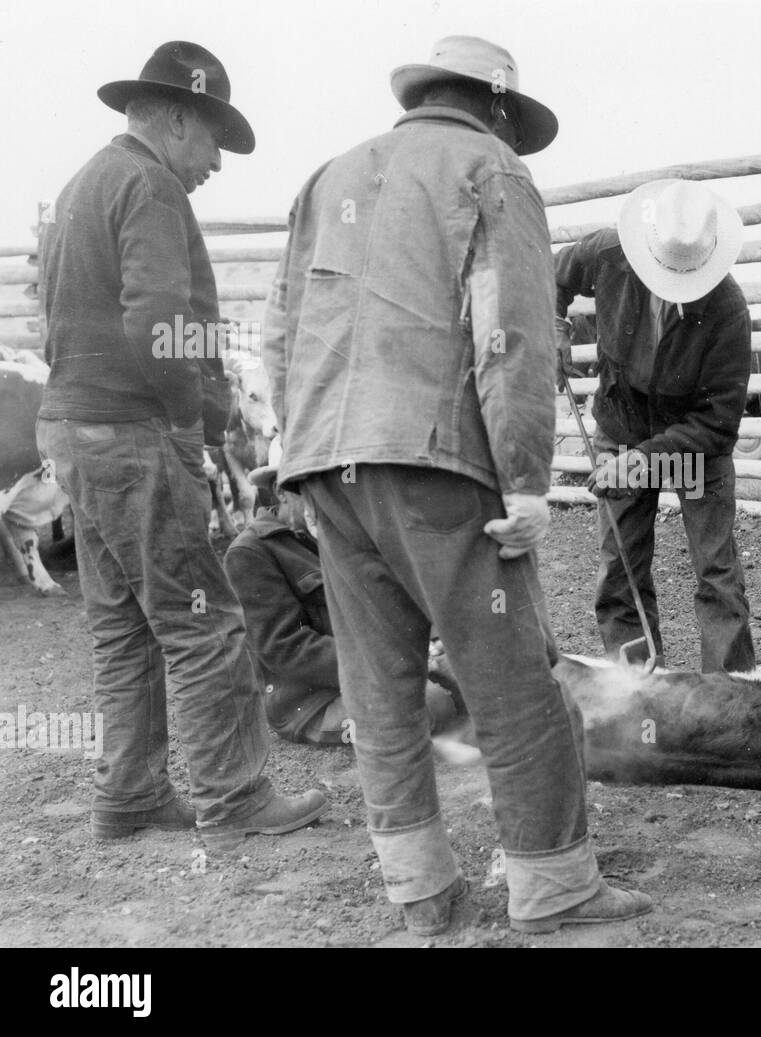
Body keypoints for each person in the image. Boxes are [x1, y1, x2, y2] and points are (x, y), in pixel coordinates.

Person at [262, 35, 651, 937]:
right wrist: (524, 477)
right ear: (501, 109)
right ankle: (554, 886)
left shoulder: (326, 178)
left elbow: (283, 329)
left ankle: (422, 894)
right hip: (437, 462)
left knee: (379, 689)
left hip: (329, 465)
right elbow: (510, 330)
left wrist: (295, 457)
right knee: (514, 683)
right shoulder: (493, 170)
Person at [35, 41, 327, 848]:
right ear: (174, 119)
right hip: (133, 433)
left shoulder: (82, 185)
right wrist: (190, 421)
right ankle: (233, 796)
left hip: (73, 428)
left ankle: (129, 794)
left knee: (124, 623)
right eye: (212, 142)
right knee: (204, 618)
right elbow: (157, 320)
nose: (215, 165)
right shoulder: (151, 185)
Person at [554, 180, 756, 673]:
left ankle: (729, 698)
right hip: (621, 421)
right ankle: (634, 689)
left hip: (694, 452)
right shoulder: (606, 252)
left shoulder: (728, 310)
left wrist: (641, 463)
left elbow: (717, 423)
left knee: (716, 571)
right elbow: (550, 273)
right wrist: (552, 324)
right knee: (621, 563)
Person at [223, 439, 464, 744]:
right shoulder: (251, 552)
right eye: (314, 491)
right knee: (429, 704)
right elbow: (285, 649)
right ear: (281, 490)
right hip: (315, 699)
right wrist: (388, 660)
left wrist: (427, 645)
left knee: (481, 671)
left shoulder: (338, 526)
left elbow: (392, 599)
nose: (329, 500)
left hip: (385, 664)